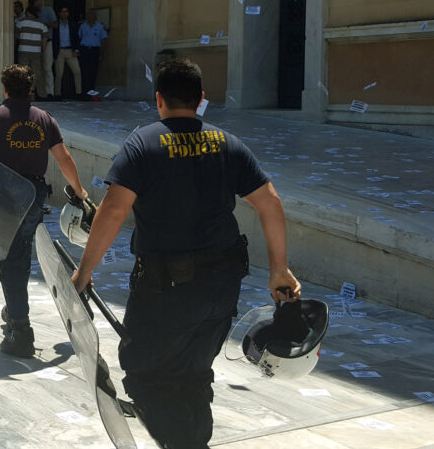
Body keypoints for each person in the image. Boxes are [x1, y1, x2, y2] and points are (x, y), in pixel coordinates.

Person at [71, 58, 301, 448]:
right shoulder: (227, 143)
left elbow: (112, 210)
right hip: (221, 288)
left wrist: (83, 273)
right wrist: (279, 269)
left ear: (158, 99)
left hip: (166, 291)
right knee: (194, 373)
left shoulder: (143, 143)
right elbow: (270, 203)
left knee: (148, 376)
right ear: (201, 100)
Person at [0, 64, 90, 357]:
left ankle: (21, 331)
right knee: (19, 256)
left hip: (1, 197)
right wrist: (80, 191)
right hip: (34, 196)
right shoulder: (45, 119)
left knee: (9, 261)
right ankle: (14, 310)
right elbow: (64, 159)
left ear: (5, 89)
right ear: (31, 90)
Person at [14, 3, 49, 100]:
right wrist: (42, 51)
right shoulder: (41, 25)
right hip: (36, 52)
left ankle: (23, 93)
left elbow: (16, 36)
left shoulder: (21, 23)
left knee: (23, 72)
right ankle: (32, 91)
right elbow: (44, 40)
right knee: (35, 72)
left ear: (27, 12)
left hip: (23, 51)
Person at [28, 0, 57, 100]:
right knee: (36, 69)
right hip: (34, 43)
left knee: (47, 67)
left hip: (47, 42)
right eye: (36, 5)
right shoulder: (32, 13)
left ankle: (50, 93)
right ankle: (39, 92)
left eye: (38, 4)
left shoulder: (48, 10)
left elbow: (55, 24)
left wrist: (42, 25)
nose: (38, 6)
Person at [52, 6, 83, 100]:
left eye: (66, 11)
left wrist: (76, 50)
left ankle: (79, 93)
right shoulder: (56, 25)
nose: (64, 13)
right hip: (60, 51)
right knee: (59, 74)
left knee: (77, 71)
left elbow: (77, 38)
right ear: (59, 14)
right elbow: (54, 39)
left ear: (68, 13)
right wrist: (54, 52)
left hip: (70, 51)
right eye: (62, 11)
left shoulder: (73, 25)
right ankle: (57, 94)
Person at [78, 8, 108, 99]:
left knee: (93, 73)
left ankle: (91, 95)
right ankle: (84, 95)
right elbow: (79, 38)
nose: (90, 16)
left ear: (95, 16)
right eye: (88, 14)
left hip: (94, 51)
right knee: (84, 73)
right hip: (85, 51)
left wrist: (101, 53)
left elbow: (103, 40)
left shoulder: (100, 26)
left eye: (92, 14)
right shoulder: (83, 26)